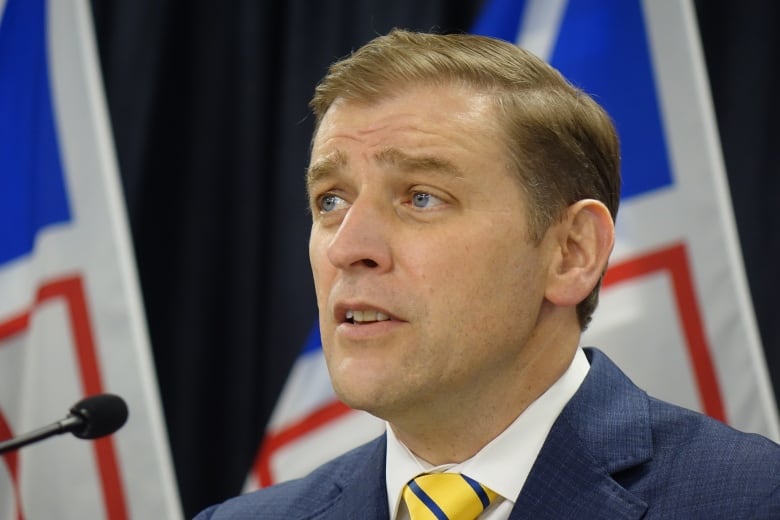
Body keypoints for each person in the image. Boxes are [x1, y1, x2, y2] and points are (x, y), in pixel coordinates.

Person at [195, 28, 780, 519]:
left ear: (572, 252)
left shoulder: (752, 500)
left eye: (421, 197)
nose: (348, 247)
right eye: (330, 201)